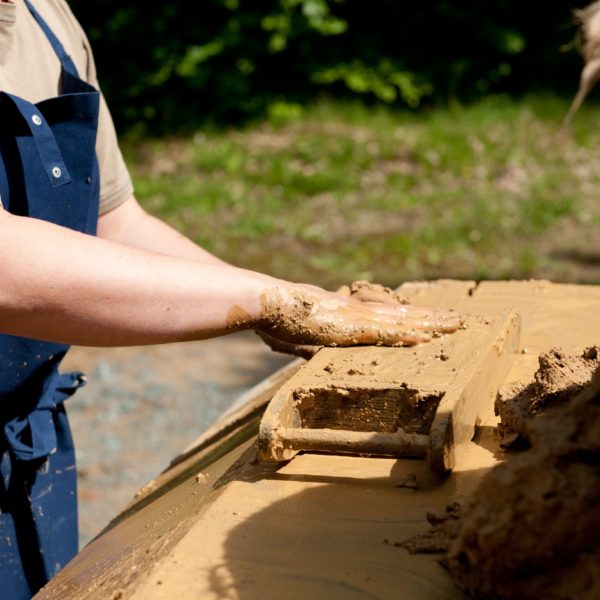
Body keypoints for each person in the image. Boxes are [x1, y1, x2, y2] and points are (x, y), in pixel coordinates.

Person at [0, 1, 461, 597]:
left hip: (28, 443)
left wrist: (292, 307)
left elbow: (114, 220)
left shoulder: (44, 17)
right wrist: (270, 299)